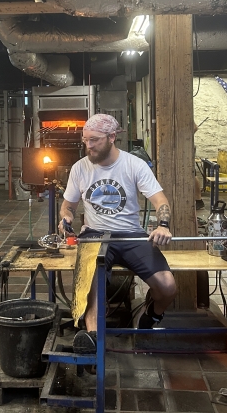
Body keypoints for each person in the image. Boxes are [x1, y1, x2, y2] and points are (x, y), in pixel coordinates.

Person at [60, 113, 177, 355]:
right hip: (95, 235)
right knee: (91, 284)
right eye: (85, 140)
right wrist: (66, 217)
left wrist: (163, 224)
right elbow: (68, 204)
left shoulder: (134, 165)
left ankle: (152, 315)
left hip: (131, 235)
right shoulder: (79, 168)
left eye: (94, 140)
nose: (88, 146)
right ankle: (92, 341)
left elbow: (159, 199)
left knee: (167, 287)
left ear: (112, 137)